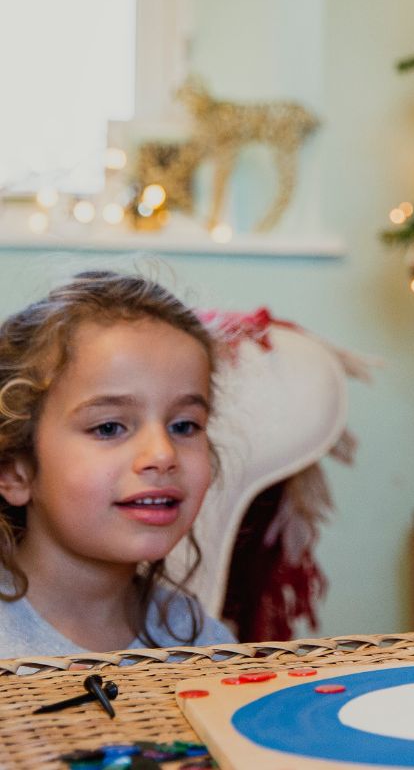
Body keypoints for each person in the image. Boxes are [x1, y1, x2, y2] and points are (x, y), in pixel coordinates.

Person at [0, 271, 234, 658]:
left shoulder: (206, 649)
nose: (162, 454)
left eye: (184, 425)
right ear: (14, 470)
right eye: (109, 427)